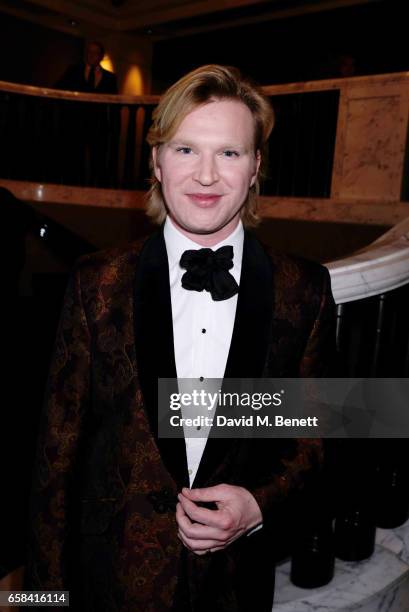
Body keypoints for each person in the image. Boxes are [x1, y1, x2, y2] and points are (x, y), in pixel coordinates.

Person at [26, 65, 336, 611]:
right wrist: (42, 602)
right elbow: (55, 461)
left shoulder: (303, 289)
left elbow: (318, 434)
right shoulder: (96, 281)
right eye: (186, 149)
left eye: (230, 153)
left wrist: (259, 505)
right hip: (110, 585)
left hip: (234, 588)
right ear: (156, 161)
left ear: (256, 166)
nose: (208, 176)